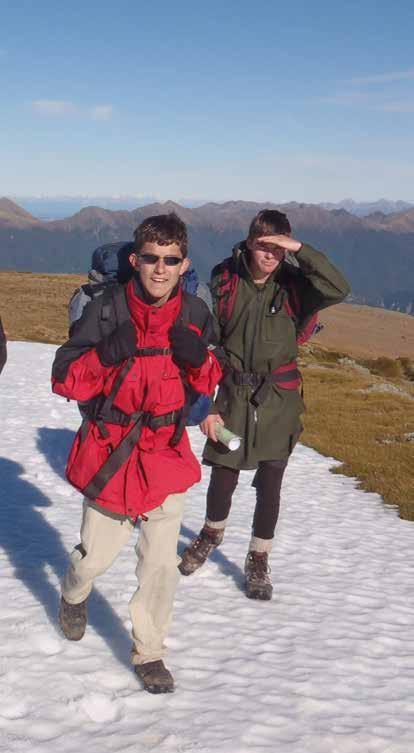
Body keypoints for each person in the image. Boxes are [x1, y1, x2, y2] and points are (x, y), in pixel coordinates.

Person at [51, 213, 221, 693]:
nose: (160, 269)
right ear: (135, 259)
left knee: (161, 566)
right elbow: (64, 379)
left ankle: (149, 651)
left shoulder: (193, 314)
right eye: (151, 258)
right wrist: (105, 353)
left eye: (171, 260)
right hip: (111, 455)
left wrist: (200, 360)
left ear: (183, 262)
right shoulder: (105, 310)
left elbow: (208, 383)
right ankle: (74, 592)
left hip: (165, 456)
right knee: (93, 560)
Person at [179, 209, 350, 599]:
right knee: (224, 474)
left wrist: (300, 250)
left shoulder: (295, 285)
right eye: (263, 246)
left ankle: (258, 557)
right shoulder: (225, 280)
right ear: (249, 243)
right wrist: (207, 406)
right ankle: (211, 533)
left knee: (270, 482)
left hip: (279, 400)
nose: (270, 255)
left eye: (279, 248)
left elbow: (339, 287)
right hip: (232, 394)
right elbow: (209, 345)